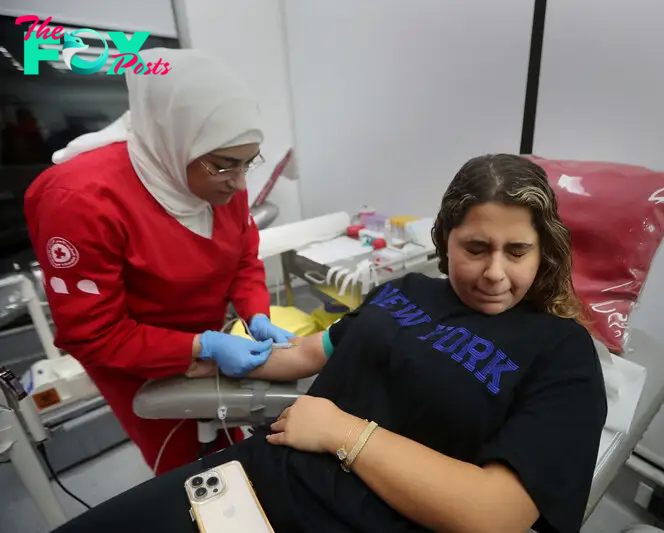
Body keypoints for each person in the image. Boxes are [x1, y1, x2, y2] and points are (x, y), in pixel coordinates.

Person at [54, 154, 608, 533]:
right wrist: (207, 354)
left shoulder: (562, 352)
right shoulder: (408, 290)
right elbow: (308, 354)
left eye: (517, 251)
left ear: (544, 252)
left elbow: (496, 514)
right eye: (476, 247)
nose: (493, 273)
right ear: (446, 240)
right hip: (258, 479)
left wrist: (346, 433)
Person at [24, 48, 294, 475]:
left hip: (204, 333)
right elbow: (95, 333)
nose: (240, 183)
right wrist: (201, 347)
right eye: (225, 167)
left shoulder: (218, 174)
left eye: (248, 164)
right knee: (187, 464)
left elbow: (243, 257)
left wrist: (256, 313)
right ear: (175, 141)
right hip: (130, 353)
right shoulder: (78, 200)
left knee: (229, 440)